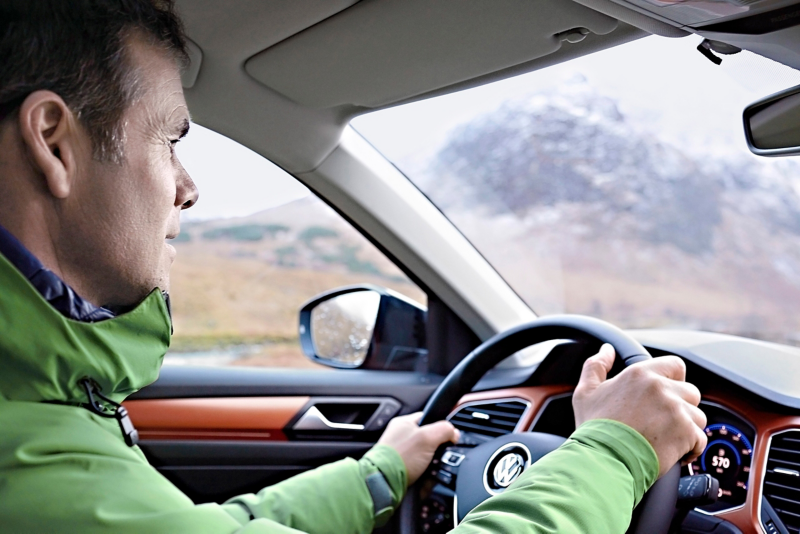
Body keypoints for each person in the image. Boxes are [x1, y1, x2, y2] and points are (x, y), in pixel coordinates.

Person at [0, 1, 707, 533]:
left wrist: (379, 476)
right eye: (170, 140)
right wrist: (618, 451)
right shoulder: (33, 467)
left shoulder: (41, 416)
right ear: (55, 142)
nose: (187, 186)